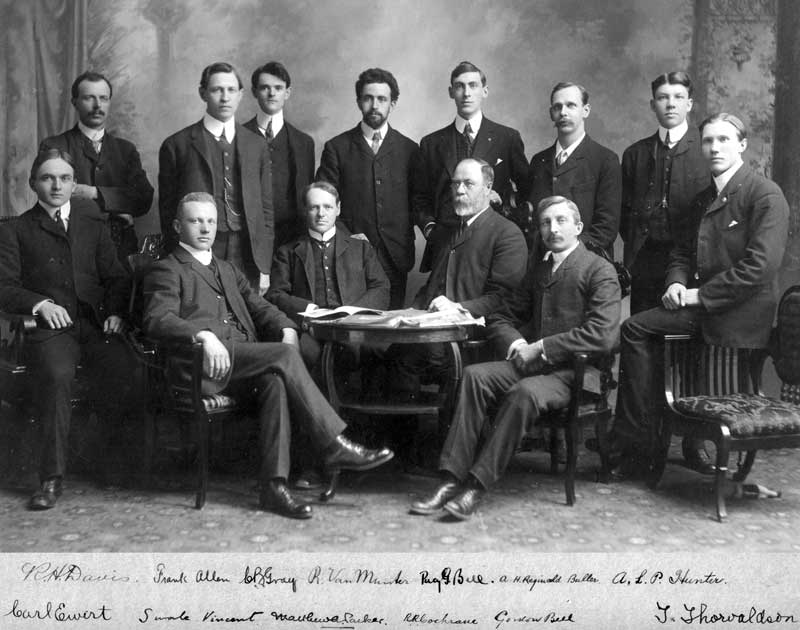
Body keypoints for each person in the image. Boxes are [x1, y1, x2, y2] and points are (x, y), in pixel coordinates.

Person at [142, 192, 394, 519]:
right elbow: (157, 318)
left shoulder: (227, 269)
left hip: (238, 365)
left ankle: (273, 488)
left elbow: (262, 308)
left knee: (275, 380)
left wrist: (287, 327)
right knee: (284, 358)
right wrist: (201, 335)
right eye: (195, 220)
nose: (204, 228)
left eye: (210, 221)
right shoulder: (168, 268)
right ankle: (333, 445)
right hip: (200, 366)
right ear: (178, 226)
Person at [409, 196, 620, 519]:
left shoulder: (599, 270)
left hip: (577, 373)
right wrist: (518, 344)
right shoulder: (539, 271)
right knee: (475, 376)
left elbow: (602, 335)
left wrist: (542, 347)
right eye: (546, 222)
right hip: (532, 365)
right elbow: (500, 316)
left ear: (578, 227)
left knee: (525, 393)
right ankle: (450, 477)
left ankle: (477, 485)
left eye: (561, 220)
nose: (552, 228)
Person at [608, 113, 790, 475]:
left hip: (739, 313)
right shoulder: (704, 197)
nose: (714, 147)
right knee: (639, 330)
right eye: (708, 141)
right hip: (705, 308)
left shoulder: (764, 194)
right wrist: (675, 282)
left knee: (636, 330)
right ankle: (642, 440)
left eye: (724, 139)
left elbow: (760, 267)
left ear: (742, 145)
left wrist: (698, 296)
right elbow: (680, 252)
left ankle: (636, 440)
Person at [0, 149, 138, 510]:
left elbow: (117, 278)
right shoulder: (15, 229)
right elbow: (4, 286)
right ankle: (51, 478)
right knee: (58, 375)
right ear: (33, 184)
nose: (56, 185)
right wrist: (41, 304)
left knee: (127, 366)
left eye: (64, 178)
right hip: (49, 330)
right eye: (47, 178)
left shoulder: (92, 225)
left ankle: (114, 466)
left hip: (93, 325)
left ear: (74, 183)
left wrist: (118, 313)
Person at [388, 158, 527, 400]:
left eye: (468, 184)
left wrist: (459, 307)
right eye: (455, 184)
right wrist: (411, 310)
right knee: (382, 354)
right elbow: (434, 284)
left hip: (471, 338)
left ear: (488, 188)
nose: (459, 191)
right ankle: (404, 435)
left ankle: (417, 435)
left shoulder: (507, 234)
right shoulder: (449, 231)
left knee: (400, 361)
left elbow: (503, 298)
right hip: (434, 331)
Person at [158, 62, 273, 293]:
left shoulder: (256, 144)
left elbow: (266, 211)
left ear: (241, 95)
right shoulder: (177, 145)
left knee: (247, 320)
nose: (224, 97)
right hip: (197, 249)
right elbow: (168, 211)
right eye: (216, 90)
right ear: (203, 93)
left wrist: (265, 265)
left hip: (247, 252)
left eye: (231, 90)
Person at [317, 68, 422, 308]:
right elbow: (323, 202)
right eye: (368, 98)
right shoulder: (337, 148)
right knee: (357, 326)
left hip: (395, 255)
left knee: (392, 327)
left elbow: (419, 201)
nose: (375, 105)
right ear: (358, 102)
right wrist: (347, 235)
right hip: (351, 254)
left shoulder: (410, 150)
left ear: (392, 103)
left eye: (382, 99)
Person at [416, 60, 530, 272]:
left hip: (492, 241)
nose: (466, 93)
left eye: (473, 85)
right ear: (451, 92)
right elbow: (419, 196)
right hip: (445, 243)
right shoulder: (432, 144)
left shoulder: (507, 138)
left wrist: (504, 204)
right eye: (459, 86)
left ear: (484, 91)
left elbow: (527, 190)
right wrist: (430, 228)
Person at [267, 180, 390, 369]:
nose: (321, 214)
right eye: (314, 208)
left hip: (355, 328)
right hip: (311, 330)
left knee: (376, 353)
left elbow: (381, 287)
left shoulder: (361, 248)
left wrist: (353, 312)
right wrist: (310, 309)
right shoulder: (288, 252)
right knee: (310, 354)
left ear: (338, 209)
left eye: (327, 207)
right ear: (305, 210)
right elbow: (275, 295)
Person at [40, 71, 154, 262]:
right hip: (72, 248)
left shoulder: (125, 150)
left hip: (120, 251)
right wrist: (119, 208)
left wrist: (93, 193)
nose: (97, 106)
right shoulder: (55, 146)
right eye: (88, 98)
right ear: (74, 102)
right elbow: (53, 197)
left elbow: (143, 198)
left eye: (103, 98)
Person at [620, 72, 708, 314]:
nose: (670, 104)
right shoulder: (634, 154)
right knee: (642, 330)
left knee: (683, 342)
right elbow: (624, 214)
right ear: (652, 104)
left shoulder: (706, 148)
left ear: (689, 103)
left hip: (692, 260)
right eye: (662, 98)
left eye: (678, 97)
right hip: (645, 261)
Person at [528, 82, 621, 258]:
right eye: (557, 107)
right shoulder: (538, 161)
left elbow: (606, 228)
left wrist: (566, 254)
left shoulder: (605, 160)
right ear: (551, 114)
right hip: (541, 263)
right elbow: (532, 222)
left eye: (571, 105)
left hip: (587, 264)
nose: (563, 112)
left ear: (585, 110)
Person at [243, 61, 315, 249]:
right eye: (265, 87)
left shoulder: (304, 143)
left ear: (287, 93)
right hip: (248, 238)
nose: (272, 93)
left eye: (278, 88)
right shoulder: (237, 138)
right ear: (254, 92)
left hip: (293, 239)